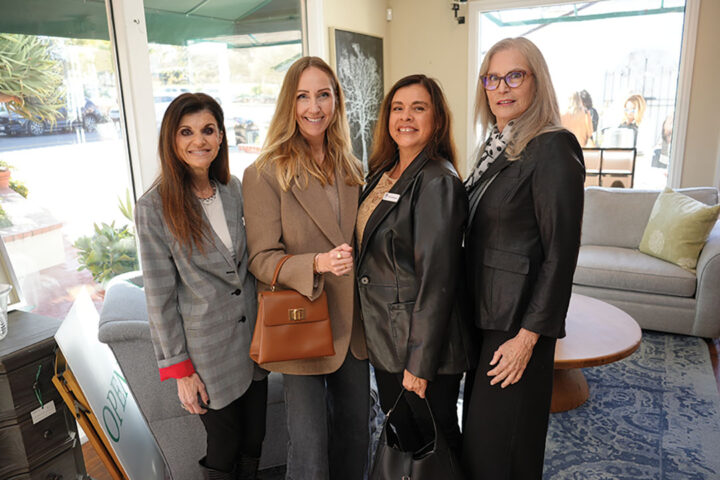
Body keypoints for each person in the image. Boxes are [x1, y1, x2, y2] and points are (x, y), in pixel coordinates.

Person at [462, 37, 585, 479]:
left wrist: (527, 338)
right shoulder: (496, 146)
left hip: (516, 327)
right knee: (482, 442)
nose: (502, 87)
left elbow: (561, 253)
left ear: (537, 81)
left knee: (500, 450)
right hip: (485, 319)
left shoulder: (553, 147)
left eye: (515, 75)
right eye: (492, 78)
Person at [242, 56, 369, 480]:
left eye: (323, 95)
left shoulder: (353, 167)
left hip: (353, 328)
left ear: (336, 102)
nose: (314, 107)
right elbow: (261, 259)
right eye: (303, 96)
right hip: (303, 324)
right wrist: (316, 263)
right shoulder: (264, 173)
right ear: (289, 104)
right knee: (310, 452)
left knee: (356, 439)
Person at [135, 93, 266, 480]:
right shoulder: (153, 208)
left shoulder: (234, 189)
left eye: (208, 130)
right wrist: (181, 371)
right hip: (207, 355)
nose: (199, 141)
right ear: (172, 141)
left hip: (254, 342)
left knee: (255, 438)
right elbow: (159, 297)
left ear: (222, 136)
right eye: (186, 132)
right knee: (224, 446)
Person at [355, 74, 475, 456]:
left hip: (418, 348)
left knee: (434, 447)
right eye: (397, 108)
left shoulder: (437, 180)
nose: (405, 117)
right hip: (390, 338)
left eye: (418, 108)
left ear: (436, 120)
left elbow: (437, 279)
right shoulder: (384, 172)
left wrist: (419, 365)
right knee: (409, 441)